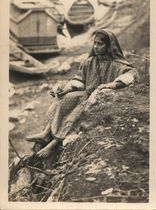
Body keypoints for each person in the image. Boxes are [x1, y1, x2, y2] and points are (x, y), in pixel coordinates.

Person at [26, 29, 138, 158]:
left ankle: (53, 145)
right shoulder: (89, 62)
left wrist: (111, 85)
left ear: (109, 46)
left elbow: (131, 74)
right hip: (86, 93)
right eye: (95, 43)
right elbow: (80, 80)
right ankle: (46, 133)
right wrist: (66, 89)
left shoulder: (118, 64)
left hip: (101, 99)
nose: (96, 47)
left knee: (77, 112)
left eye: (100, 44)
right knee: (62, 99)